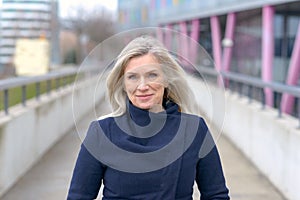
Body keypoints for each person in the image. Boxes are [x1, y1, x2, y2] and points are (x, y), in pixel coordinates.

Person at [67, 35, 230, 200]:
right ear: (122, 83)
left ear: (166, 80)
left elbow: (216, 195)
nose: (143, 86)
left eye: (152, 75)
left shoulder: (194, 130)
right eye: (132, 77)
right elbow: (78, 197)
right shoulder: (101, 132)